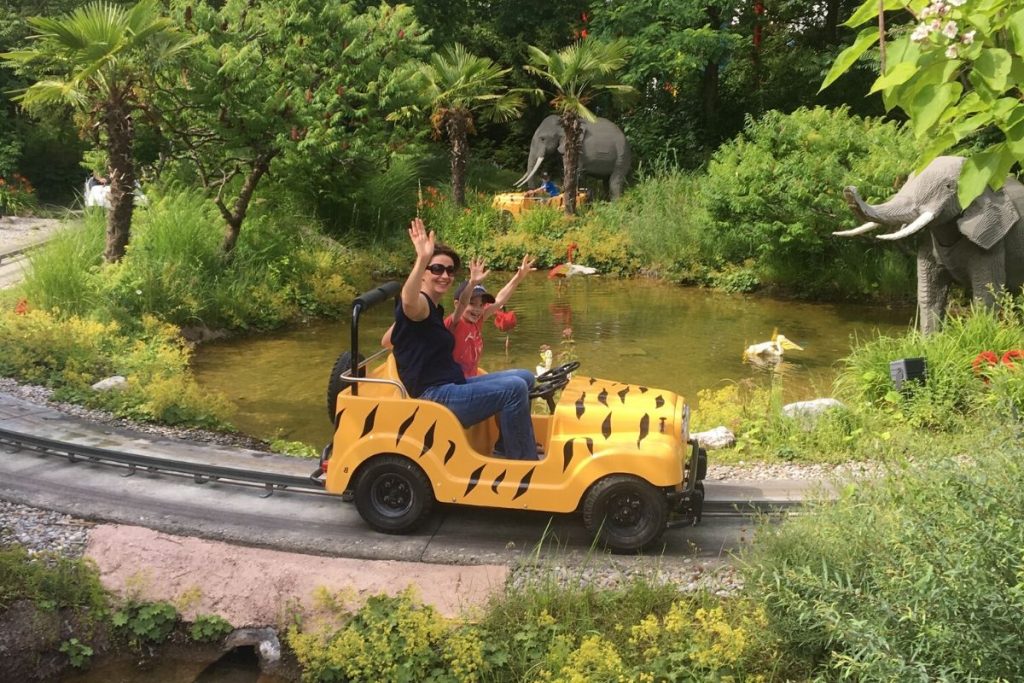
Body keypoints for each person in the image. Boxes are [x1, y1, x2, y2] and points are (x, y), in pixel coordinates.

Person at [389, 217, 540, 460]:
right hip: (435, 395)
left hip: (453, 384)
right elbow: (407, 301)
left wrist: (400, 335)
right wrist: (422, 258)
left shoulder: (433, 311)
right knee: (514, 389)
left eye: (449, 270)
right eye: (436, 268)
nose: (444, 275)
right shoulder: (420, 305)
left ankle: (506, 445)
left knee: (524, 377)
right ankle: (523, 463)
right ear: (424, 274)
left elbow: (389, 339)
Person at [447, 253, 536, 378]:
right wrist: (472, 283)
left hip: (473, 379)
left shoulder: (477, 320)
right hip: (458, 384)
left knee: (526, 376)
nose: (478, 310)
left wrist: (519, 277)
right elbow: (462, 304)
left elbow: (499, 300)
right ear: (456, 304)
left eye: (481, 305)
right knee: (516, 384)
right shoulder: (454, 323)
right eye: (472, 304)